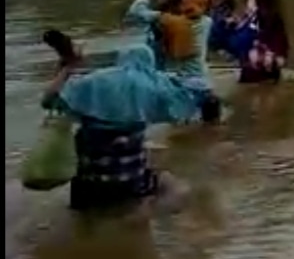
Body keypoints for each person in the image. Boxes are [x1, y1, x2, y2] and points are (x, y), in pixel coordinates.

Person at [39, 43, 202, 211]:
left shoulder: (92, 83)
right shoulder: (153, 86)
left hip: (87, 186)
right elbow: (192, 97)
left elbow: (48, 100)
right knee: (171, 183)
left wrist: (66, 68)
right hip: (130, 184)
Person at [239, 0, 290, 84]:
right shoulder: (257, 15)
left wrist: (273, 53)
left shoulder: (275, 17)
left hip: (273, 52)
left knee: (268, 62)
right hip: (262, 49)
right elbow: (251, 32)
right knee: (248, 66)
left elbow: (280, 39)